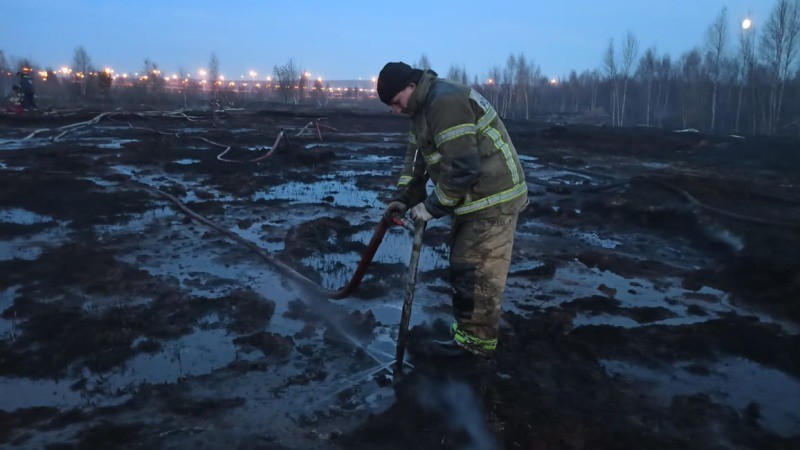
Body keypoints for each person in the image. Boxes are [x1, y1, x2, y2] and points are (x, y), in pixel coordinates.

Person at [378, 61, 527, 357]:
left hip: (494, 198)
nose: (396, 110)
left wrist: (432, 207)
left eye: (396, 102)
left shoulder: (444, 102)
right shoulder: (421, 111)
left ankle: (477, 348)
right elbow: (416, 160)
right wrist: (404, 197)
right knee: (463, 266)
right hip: (474, 200)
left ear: (411, 86)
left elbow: (463, 168)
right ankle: (468, 334)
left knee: (476, 272)